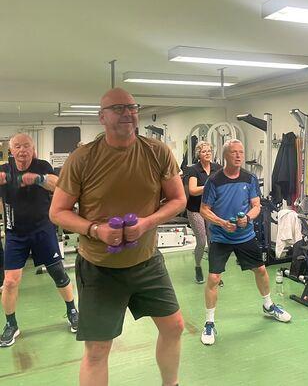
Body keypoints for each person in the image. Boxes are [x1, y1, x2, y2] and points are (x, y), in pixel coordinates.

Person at [49, 88, 186, 386]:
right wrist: (96, 230)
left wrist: (147, 223)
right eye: (118, 108)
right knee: (98, 350)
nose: (128, 113)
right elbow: (57, 212)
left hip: (147, 262)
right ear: (102, 117)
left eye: (132, 107)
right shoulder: (83, 158)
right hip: (100, 268)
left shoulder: (157, 152)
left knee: (174, 326)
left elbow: (179, 199)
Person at [199, 139, 291, 346]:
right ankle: (209, 322)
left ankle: (268, 305)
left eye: (241, 152)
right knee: (213, 278)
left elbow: (256, 205)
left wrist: (248, 218)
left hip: (245, 235)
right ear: (225, 155)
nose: (238, 155)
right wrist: (222, 223)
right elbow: (204, 210)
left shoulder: (249, 178)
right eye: (234, 152)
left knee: (261, 270)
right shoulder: (214, 180)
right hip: (221, 236)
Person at [0, 133, 78, 347]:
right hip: (15, 233)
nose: (22, 150)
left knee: (58, 273)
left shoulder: (42, 166)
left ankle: (72, 311)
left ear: (32, 148)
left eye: (26, 146)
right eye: (17, 146)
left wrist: (38, 179)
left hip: (42, 229)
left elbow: (58, 185)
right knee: (10, 281)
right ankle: (11, 324)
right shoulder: (5, 169)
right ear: (11, 150)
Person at [185, 141, 221, 284]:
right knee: (201, 241)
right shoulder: (193, 170)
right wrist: (209, 186)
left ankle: (214, 273)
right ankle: (198, 266)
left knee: (213, 241)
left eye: (209, 151)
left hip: (211, 209)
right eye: (204, 151)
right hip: (195, 210)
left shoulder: (217, 168)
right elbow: (193, 191)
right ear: (198, 154)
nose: (207, 153)